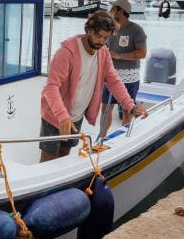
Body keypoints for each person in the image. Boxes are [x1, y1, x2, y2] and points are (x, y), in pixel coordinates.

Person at [39, 10, 148, 163]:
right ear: (88, 30)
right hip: (55, 116)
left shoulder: (103, 52)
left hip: (76, 115)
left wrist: (131, 106)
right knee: (47, 159)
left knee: (63, 158)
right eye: (98, 36)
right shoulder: (66, 52)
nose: (102, 41)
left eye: (106, 38)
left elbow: (114, 81)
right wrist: (62, 116)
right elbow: (51, 87)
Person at [99, 0, 147, 139]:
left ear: (120, 11)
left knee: (127, 110)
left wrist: (119, 55)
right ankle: (101, 139)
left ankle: (123, 140)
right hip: (110, 76)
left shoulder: (136, 30)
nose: (110, 11)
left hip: (129, 77)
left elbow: (142, 53)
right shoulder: (109, 28)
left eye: (113, 9)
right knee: (105, 109)